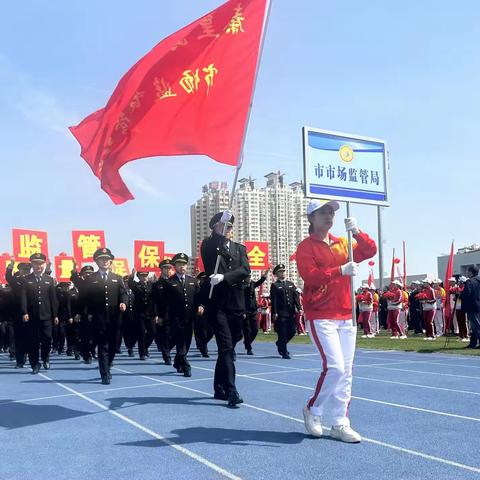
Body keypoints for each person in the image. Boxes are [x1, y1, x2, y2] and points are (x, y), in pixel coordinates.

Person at [296, 199, 376, 443]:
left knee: (347, 372)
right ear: (311, 218)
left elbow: (370, 250)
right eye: (323, 212)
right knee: (335, 368)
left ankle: (340, 422)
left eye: (331, 212)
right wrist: (340, 271)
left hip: (346, 314)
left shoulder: (344, 244)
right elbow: (310, 276)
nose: (329, 216)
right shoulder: (306, 247)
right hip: (321, 314)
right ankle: (314, 408)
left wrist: (357, 232)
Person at [201, 210, 250, 408]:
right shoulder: (210, 245)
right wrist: (218, 232)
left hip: (236, 304)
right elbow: (212, 245)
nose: (228, 230)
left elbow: (246, 270)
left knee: (230, 346)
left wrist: (225, 277)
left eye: (229, 226)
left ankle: (218, 387)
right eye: (223, 226)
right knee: (226, 346)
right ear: (215, 229)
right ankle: (231, 390)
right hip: (218, 304)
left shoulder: (240, 248)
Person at [83, 248, 127, 384]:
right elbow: (85, 298)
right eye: (102, 259)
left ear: (111, 261)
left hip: (115, 317)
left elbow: (123, 293)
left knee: (113, 345)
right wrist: (87, 313)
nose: (105, 261)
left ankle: (108, 366)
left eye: (107, 259)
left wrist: (123, 303)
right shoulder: (91, 278)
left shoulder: (117, 278)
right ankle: (104, 374)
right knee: (103, 345)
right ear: (97, 261)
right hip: (98, 317)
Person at [160, 253, 203, 377]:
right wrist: (162, 316)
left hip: (189, 318)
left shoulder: (193, 281)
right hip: (175, 318)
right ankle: (186, 366)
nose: (182, 267)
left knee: (187, 342)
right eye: (179, 264)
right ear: (175, 266)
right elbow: (164, 302)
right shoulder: (169, 282)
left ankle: (178, 361)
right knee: (180, 342)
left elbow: (198, 297)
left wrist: (201, 306)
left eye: (184, 264)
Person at [20, 253, 59, 373]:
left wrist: (55, 315)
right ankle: (35, 364)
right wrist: (24, 311)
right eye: (36, 263)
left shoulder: (50, 280)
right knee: (33, 341)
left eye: (41, 263)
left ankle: (45, 357)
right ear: (32, 264)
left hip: (46, 315)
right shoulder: (26, 280)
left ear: (44, 264)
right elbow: (23, 298)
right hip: (32, 316)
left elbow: (53, 299)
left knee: (47, 338)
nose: (38, 266)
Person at [270, 264, 301, 359]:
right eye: (280, 272)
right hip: (281, 313)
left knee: (292, 331)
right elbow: (273, 299)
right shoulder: (275, 285)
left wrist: (299, 308)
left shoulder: (290, 284)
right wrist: (274, 312)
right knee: (282, 333)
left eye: (283, 271)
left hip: (290, 312)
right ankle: (284, 352)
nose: (282, 273)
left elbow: (296, 297)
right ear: (276, 274)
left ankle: (280, 343)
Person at [6, 260, 31, 368]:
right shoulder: (15, 281)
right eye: (23, 269)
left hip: (31, 313)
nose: (25, 272)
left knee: (31, 337)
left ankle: (32, 358)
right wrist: (10, 267)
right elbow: (8, 277)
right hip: (17, 313)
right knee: (18, 337)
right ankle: (20, 360)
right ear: (19, 270)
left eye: (27, 270)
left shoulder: (33, 280)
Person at [128, 270, 157, 360]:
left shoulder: (151, 285)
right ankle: (142, 353)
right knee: (141, 333)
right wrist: (132, 276)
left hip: (150, 313)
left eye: (145, 276)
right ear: (139, 277)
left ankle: (145, 348)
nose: (144, 277)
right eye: (142, 276)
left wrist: (156, 314)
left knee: (152, 332)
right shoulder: (136, 285)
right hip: (139, 313)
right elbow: (130, 283)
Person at [71, 264, 96, 363]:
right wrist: (74, 266)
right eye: (86, 273)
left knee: (96, 335)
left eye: (90, 273)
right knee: (85, 336)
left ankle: (90, 350)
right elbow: (74, 277)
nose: (88, 274)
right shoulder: (81, 283)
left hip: (96, 313)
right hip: (84, 313)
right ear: (83, 275)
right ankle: (86, 355)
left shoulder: (98, 282)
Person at [242, 269, 268, 355]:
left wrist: (265, 275)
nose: (249, 278)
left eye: (250, 277)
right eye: (247, 277)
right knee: (247, 330)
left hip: (253, 310)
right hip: (245, 311)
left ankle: (247, 342)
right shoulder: (241, 285)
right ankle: (249, 348)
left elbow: (259, 282)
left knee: (255, 330)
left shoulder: (252, 283)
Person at [153, 259, 173, 365]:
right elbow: (154, 301)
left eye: (170, 268)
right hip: (162, 314)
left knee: (174, 336)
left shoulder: (174, 281)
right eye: (166, 268)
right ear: (161, 269)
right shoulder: (157, 284)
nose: (168, 270)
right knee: (165, 335)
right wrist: (156, 315)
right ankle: (167, 356)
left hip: (175, 314)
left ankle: (166, 350)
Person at [193, 272, 214, 357]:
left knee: (211, 332)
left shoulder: (210, 289)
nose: (204, 280)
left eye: (205, 279)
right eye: (202, 279)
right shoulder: (196, 288)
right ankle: (204, 350)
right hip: (199, 313)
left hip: (209, 312)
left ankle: (202, 344)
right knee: (202, 332)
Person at [460, 266, 480, 349]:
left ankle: (474, 343)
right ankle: (473, 343)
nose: (467, 273)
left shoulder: (470, 281)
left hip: (472, 306)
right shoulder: (478, 280)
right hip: (478, 304)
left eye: (468, 271)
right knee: (474, 326)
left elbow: (467, 293)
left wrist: (460, 296)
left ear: (471, 272)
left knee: (476, 325)